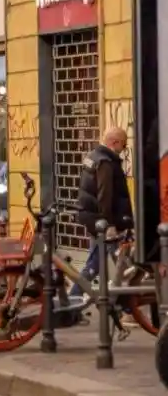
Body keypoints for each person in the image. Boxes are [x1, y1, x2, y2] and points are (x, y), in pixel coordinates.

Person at [75, 126, 133, 295]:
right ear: (115, 142)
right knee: (123, 264)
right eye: (124, 144)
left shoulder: (94, 157)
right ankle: (128, 309)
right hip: (103, 221)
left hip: (94, 218)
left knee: (99, 263)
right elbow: (105, 196)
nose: (124, 149)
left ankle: (72, 301)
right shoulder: (106, 162)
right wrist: (109, 225)